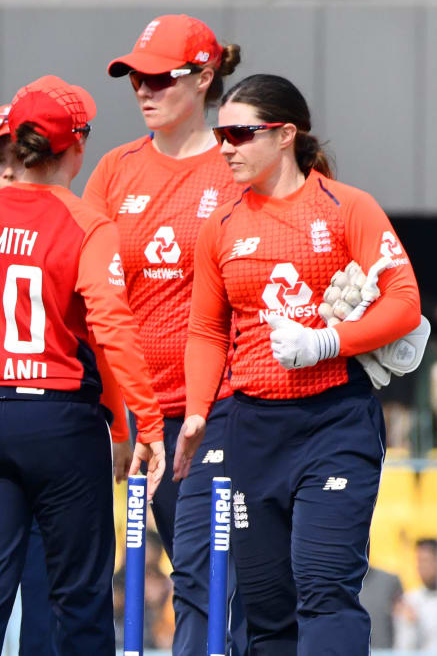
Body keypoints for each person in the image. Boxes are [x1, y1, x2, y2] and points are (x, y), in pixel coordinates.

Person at [180, 73, 422, 651]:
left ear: (286, 134)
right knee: (266, 605)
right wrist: (195, 412)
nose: (227, 147)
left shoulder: (346, 207)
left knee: (324, 588)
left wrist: (326, 343)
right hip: (252, 427)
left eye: (241, 133)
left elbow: (405, 303)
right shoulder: (220, 226)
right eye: (221, 135)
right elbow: (206, 330)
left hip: (334, 420)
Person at [0, 76, 166, 653]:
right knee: (79, 599)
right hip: (58, 416)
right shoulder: (86, 223)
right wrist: (145, 422)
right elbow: (111, 327)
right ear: (77, 146)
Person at [85, 14, 248, 655]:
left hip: (223, 406)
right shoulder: (115, 169)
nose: (144, 91)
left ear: (205, 77)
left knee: (212, 578)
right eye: (134, 79)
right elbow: (91, 297)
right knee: (190, 571)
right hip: (146, 414)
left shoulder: (236, 164)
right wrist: (121, 418)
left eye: (159, 78)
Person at [396, 538, 437, 651]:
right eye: (419, 561)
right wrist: (410, 625)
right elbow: (403, 649)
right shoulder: (410, 600)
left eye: (426, 561)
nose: (421, 567)